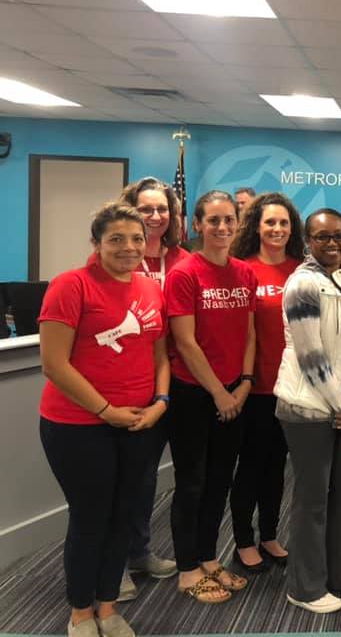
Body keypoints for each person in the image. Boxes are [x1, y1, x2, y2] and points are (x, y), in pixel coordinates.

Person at [38, 202, 169, 637]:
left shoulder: (148, 287)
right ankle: (80, 612)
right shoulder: (70, 285)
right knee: (90, 518)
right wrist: (106, 411)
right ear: (96, 242)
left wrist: (161, 401)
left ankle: (108, 607)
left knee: (123, 516)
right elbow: (54, 364)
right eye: (116, 239)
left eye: (136, 239)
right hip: (78, 426)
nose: (129, 247)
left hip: (139, 423)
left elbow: (159, 353)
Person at [274, 208, 341, 614]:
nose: (332, 243)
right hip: (308, 410)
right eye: (322, 237)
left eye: (338, 236)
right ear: (307, 242)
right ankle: (305, 586)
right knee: (313, 500)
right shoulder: (301, 284)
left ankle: (338, 573)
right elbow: (310, 356)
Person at [165, 190, 257, 604]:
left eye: (229, 219)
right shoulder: (185, 273)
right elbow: (185, 342)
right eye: (213, 220)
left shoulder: (244, 273)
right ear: (197, 225)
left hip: (235, 392)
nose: (222, 227)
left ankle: (207, 557)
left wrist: (244, 383)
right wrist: (219, 393)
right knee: (192, 483)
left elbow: (250, 333)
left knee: (220, 480)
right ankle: (187, 569)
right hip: (194, 393)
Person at [114, 177, 187, 598]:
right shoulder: (119, 257)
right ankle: (115, 563)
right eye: (146, 209)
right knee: (128, 478)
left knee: (152, 480)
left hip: (181, 379)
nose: (156, 216)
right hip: (135, 381)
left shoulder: (182, 258)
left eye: (162, 209)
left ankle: (139, 552)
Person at [228, 193, 305, 572]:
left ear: (293, 228)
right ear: (256, 227)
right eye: (270, 222)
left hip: (291, 386)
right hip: (253, 387)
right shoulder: (242, 269)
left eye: (284, 223)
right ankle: (243, 540)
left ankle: (270, 535)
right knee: (251, 466)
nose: (277, 229)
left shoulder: (302, 270)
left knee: (276, 466)